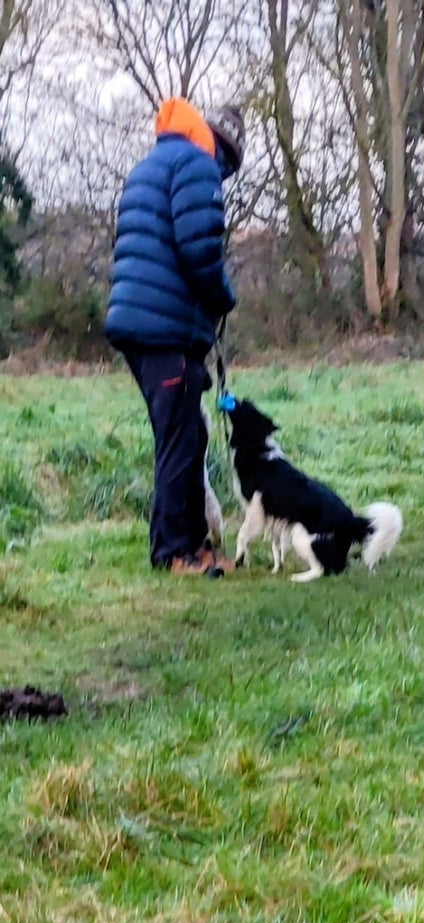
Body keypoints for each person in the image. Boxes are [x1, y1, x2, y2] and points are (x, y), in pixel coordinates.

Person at [105, 98, 246, 576]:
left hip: (142, 322)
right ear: (224, 152)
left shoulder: (155, 162)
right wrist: (223, 296)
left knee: (190, 433)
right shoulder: (198, 164)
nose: (223, 178)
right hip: (164, 326)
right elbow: (199, 248)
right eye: (228, 168)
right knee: (179, 442)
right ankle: (172, 552)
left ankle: (195, 545)